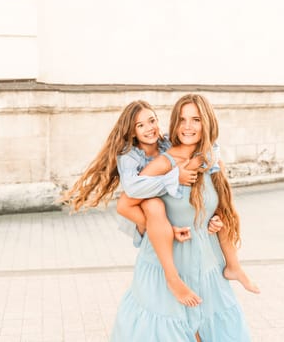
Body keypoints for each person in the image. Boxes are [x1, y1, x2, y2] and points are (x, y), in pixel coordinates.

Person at [110, 94, 251, 341]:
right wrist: (157, 227)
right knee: (170, 329)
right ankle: (172, 280)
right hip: (167, 262)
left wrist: (214, 220)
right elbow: (125, 203)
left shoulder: (212, 160)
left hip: (204, 260)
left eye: (195, 119)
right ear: (174, 124)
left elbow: (216, 207)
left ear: (206, 122)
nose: (188, 126)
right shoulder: (163, 163)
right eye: (182, 120)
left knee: (210, 329)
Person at [61, 100, 208, 306]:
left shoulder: (166, 144)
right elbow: (132, 190)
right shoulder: (129, 156)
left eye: (152, 120)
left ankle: (169, 233)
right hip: (139, 213)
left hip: (164, 215)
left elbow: (199, 150)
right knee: (152, 204)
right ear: (132, 132)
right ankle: (172, 279)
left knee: (157, 206)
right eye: (141, 125)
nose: (150, 128)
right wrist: (174, 177)